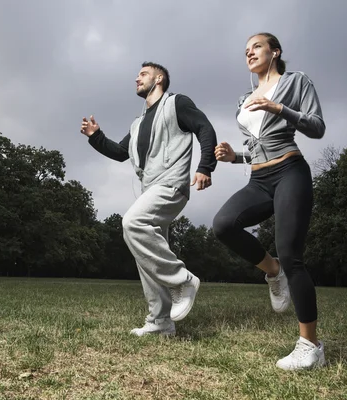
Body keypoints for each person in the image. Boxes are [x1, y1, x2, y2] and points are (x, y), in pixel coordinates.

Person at [212, 32, 326, 370]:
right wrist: (235, 157)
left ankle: (311, 345)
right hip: (259, 178)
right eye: (246, 50)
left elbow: (317, 127)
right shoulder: (244, 98)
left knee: (293, 255)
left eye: (256, 46)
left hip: (290, 171)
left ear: (274, 52)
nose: (249, 52)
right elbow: (258, 143)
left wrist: (279, 107)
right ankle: (272, 270)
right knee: (223, 225)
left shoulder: (295, 82)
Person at [80, 62, 218, 337]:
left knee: (132, 223)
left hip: (171, 183)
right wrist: (96, 137)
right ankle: (160, 322)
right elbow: (121, 152)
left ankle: (183, 281)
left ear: (159, 78)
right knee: (146, 253)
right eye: (137, 74)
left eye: (143, 74)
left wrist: (205, 166)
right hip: (150, 189)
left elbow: (204, 128)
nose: (137, 78)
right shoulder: (139, 122)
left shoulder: (176, 103)